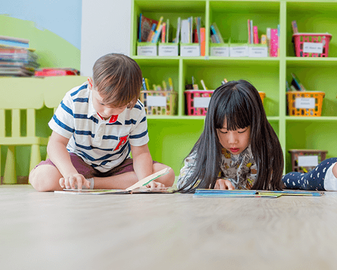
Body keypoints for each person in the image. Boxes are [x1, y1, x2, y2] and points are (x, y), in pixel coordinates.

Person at [30, 53, 174, 191]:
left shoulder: (135, 109)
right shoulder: (74, 99)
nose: (107, 112)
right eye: (102, 103)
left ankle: (91, 183)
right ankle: (82, 181)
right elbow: (56, 143)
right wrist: (70, 174)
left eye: (118, 107)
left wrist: (145, 181)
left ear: (131, 99)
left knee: (167, 175)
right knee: (43, 178)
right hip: (79, 161)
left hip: (117, 166)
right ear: (91, 84)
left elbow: (140, 153)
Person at [177, 80, 283, 192]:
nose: (232, 141)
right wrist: (210, 184)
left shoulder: (265, 147)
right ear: (213, 128)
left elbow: (262, 186)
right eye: (223, 131)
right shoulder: (207, 143)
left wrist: (228, 185)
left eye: (241, 131)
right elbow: (184, 181)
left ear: (256, 124)